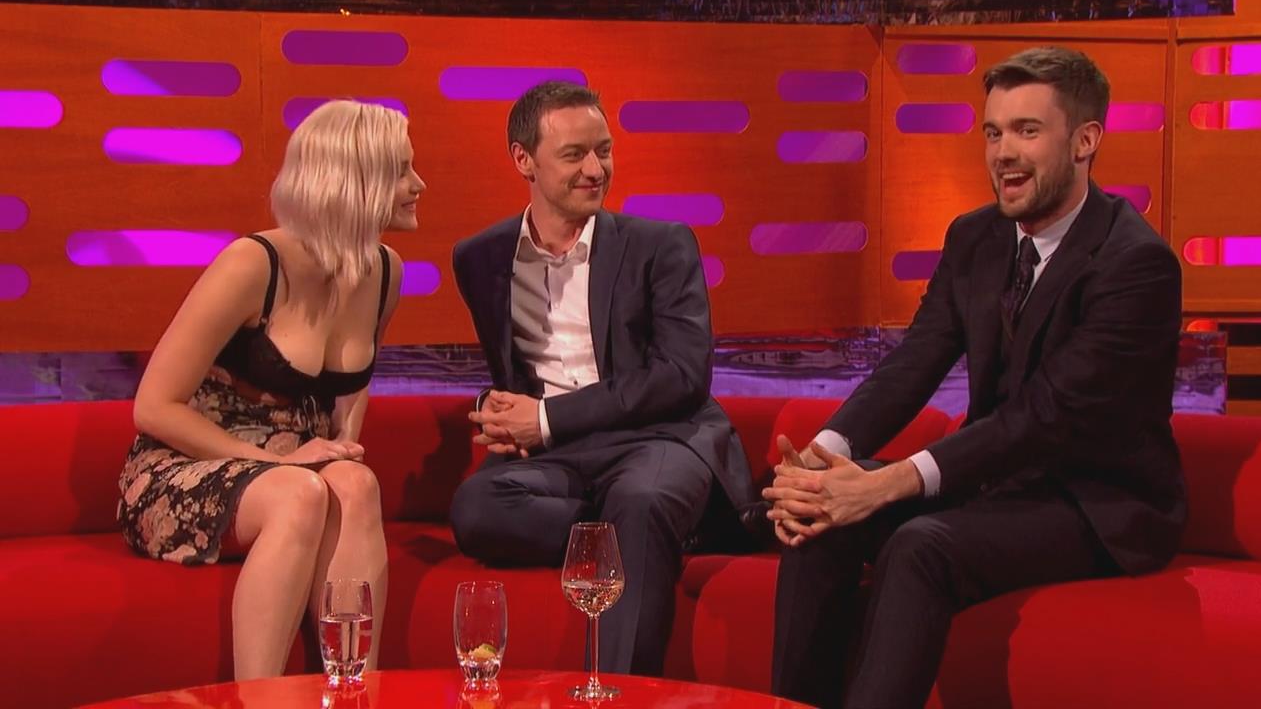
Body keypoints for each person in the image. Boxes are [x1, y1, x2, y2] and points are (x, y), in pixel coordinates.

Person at [765, 46, 1186, 709]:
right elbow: (914, 361)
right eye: (993, 132)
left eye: (1027, 131)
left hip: (1094, 504)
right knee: (823, 512)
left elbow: (1047, 416)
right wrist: (824, 457)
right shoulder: (975, 238)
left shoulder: (1135, 264)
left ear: (1085, 141)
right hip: (998, 482)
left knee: (921, 546)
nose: (1003, 153)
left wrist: (888, 483)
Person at [448, 81, 757, 676]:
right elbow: (517, 372)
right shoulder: (480, 258)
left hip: (659, 439)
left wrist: (545, 419)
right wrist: (501, 408)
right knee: (476, 507)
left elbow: (681, 377)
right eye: (574, 155)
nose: (596, 170)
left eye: (604, 151)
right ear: (523, 160)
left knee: (641, 499)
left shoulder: (661, 246)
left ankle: (622, 690)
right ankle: (652, 532)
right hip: (561, 458)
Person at [118, 100, 422, 679]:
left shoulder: (386, 271)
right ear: (354, 180)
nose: (418, 185)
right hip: (185, 466)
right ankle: (257, 698)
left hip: (294, 465)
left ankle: (352, 691)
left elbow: (354, 384)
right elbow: (154, 407)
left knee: (357, 485)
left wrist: (341, 450)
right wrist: (274, 463)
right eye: (401, 171)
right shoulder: (252, 263)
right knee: (299, 495)